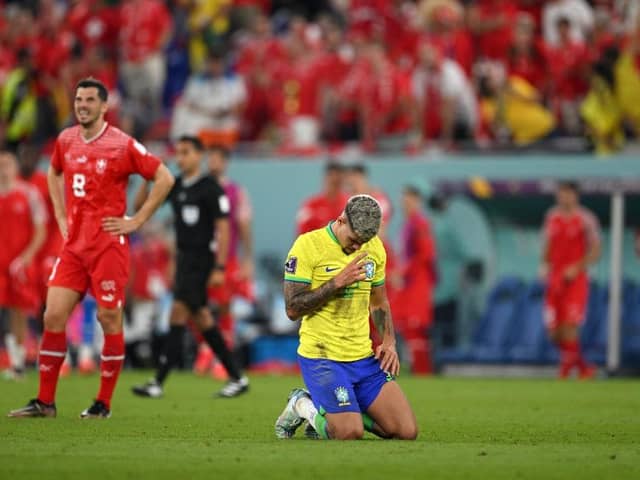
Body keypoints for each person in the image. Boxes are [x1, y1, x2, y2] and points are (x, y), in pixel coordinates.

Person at [7, 78, 174, 419]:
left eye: (89, 100)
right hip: (74, 247)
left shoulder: (121, 144)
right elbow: (53, 173)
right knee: (52, 315)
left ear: (103, 105)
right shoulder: (66, 139)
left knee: (108, 318)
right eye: (78, 99)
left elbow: (164, 177)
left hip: (108, 247)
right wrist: (59, 213)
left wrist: (137, 220)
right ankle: (45, 402)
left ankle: (103, 403)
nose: (81, 105)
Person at [275, 195, 418, 440]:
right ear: (341, 220)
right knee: (349, 432)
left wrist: (388, 342)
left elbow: (378, 301)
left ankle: (334, 411)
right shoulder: (308, 246)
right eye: (353, 240)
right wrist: (337, 282)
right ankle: (302, 405)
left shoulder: (374, 248)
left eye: (363, 242)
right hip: (323, 358)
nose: (357, 247)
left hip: (361, 357)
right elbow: (292, 309)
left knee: (405, 431)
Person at [132, 136, 249, 399]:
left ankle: (158, 381)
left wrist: (219, 266)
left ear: (199, 156)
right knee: (202, 318)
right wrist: (147, 178)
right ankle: (237, 376)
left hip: (202, 261)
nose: (180, 158)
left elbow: (223, 228)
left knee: (178, 312)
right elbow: (140, 207)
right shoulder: (174, 185)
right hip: (184, 260)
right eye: (178, 153)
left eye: (186, 152)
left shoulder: (210, 188)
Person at [193, 145, 255, 379]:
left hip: (226, 258)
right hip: (201, 258)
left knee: (225, 306)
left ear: (226, 162)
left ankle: (220, 357)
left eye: (218, 158)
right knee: (198, 305)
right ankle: (206, 347)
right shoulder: (199, 189)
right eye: (211, 158)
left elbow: (244, 226)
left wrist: (247, 258)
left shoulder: (236, 192)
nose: (214, 163)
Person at [541, 181, 601, 379]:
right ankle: (584, 368)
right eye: (561, 194)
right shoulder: (551, 216)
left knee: (569, 325)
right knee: (554, 332)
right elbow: (548, 245)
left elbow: (596, 251)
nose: (564, 197)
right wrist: (544, 266)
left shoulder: (586, 219)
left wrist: (577, 267)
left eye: (568, 194)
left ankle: (565, 372)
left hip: (576, 279)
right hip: (555, 278)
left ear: (576, 195)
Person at [0, 150, 46, 379]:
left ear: (15, 167)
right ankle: (14, 358)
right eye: (1, 164)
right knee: (4, 309)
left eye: (7, 163)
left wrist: (28, 256)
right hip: (0, 262)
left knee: (18, 310)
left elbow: (41, 229)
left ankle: (17, 361)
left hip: (20, 263)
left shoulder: (28, 193)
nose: (3, 168)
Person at [392, 180, 437, 375]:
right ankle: (419, 370)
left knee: (415, 328)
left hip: (417, 283)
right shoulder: (408, 225)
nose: (405, 202)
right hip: (410, 283)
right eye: (404, 198)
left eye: (409, 198)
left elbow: (427, 254)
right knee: (408, 327)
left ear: (418, 201)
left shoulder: (420, 223)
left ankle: (423, 371)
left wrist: (404, 272)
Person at [295, 162, 349, 235]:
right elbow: (300, 233)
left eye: (337, 182)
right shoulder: (311, 205)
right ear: (325, 179)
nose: (334, 186)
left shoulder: (348, 205)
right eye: (332, 182)